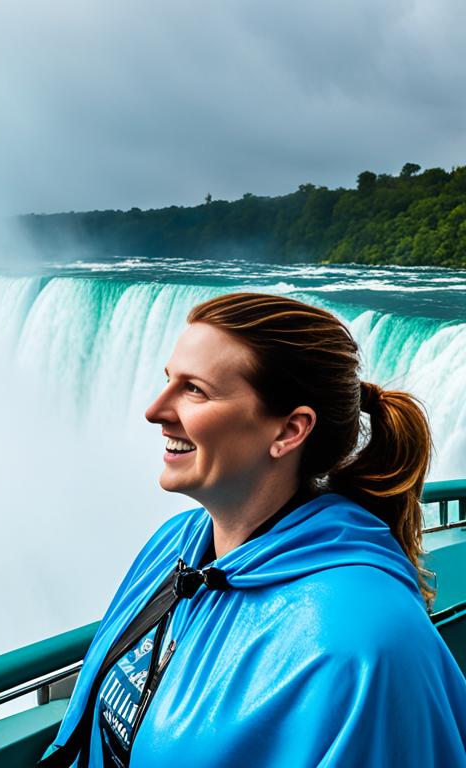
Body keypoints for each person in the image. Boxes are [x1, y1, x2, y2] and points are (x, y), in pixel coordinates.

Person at [41, 293, 466, 767]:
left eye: (194, 390)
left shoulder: (365, 647)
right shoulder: (177, 545)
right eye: (168, 381)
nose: (154, 410)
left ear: (289, 431)